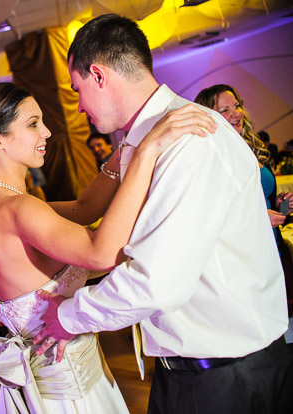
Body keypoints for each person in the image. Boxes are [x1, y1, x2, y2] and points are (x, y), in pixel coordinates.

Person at [34, 14, 293, 414]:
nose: (80, 106)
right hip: (192, 368)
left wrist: (69, 317)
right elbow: (116, 232)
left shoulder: (191, 139)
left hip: (227, 375)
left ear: (99, 75)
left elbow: (158, 281)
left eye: (77, 90)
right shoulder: (144, 142)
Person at [0, 81, 212, 412]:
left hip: (47, 378)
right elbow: (102, 254)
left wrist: (125, 150)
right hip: (70, 386)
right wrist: (146, 153)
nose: (47, 132)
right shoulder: (20, 208)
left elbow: (83, 209)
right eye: (33, 124)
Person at [195, 84, 293, 319]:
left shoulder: (247, 145)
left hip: (273, 247)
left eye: (236, 106)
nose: (236, 113)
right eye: (225, 110)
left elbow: (259, 196)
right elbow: (208, 213)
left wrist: (278, 203)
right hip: (245, 257)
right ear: (208, 116)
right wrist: (257, 217)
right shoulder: (207, 155)